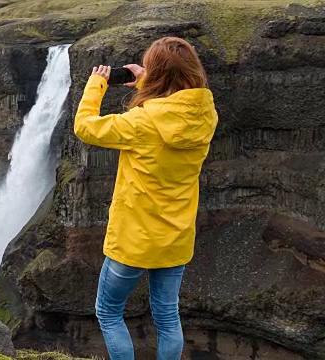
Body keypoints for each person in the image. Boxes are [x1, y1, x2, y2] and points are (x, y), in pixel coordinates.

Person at [73, 37, 219, 360]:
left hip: (134, 240)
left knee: (109, 311)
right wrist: (150, 84)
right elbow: (173, 112)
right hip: (175, 239)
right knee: (167, 317)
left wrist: (97, 83)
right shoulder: (206, 117)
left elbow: (84, 127)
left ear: (157, 77)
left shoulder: (141, 123)